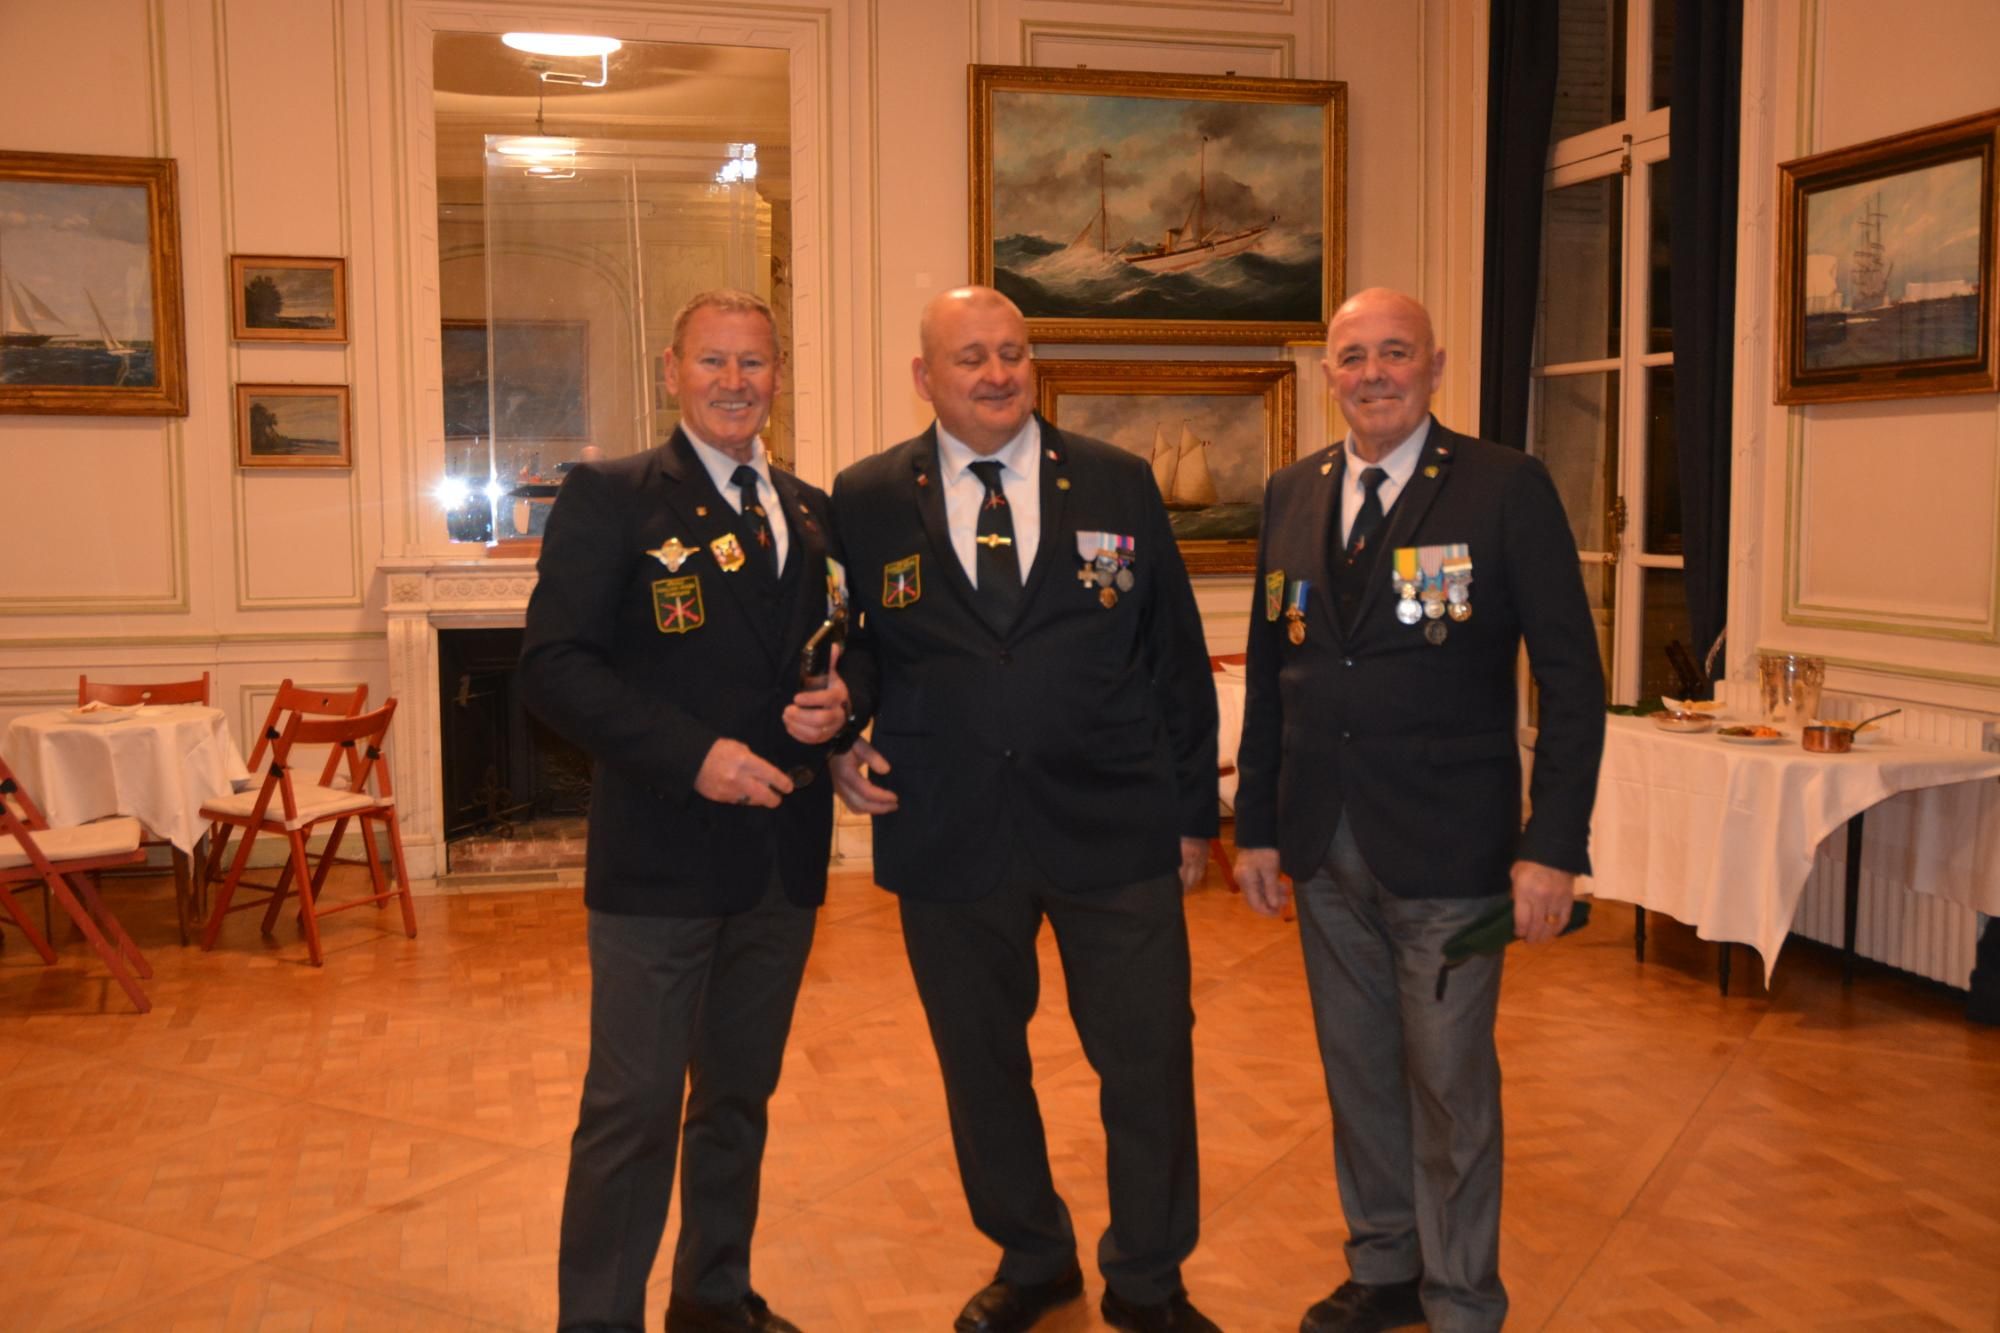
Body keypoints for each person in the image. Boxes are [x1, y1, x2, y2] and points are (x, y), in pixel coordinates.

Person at [827, 286, 1221, 1333]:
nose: (996, 373)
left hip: (1114, 825)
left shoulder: (1117, 479)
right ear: (925, 376)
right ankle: (1032, 1254)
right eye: (971, 357)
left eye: (1012, 352)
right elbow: (856, 647)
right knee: (980, 1063)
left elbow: (1174, 656)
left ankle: (1148, 1277)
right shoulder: (866, 495)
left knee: (1149, 1060)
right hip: (947, 826)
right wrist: (840, 729)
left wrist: (1193, 816)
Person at [1232, 287, 1605, 1333]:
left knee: (1447, 1084)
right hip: (1321, 842)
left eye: (1395, 353)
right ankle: (1385, 1263)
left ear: (1435, 366)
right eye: (1353, 357)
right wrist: (1255, 824)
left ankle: (1462, 1298)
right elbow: (1272, 672)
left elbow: (1571, 680)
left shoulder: (1502, 486)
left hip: (1451, 848)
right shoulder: (1292, 492)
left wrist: (1552, 845)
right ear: (1329, 377)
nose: (1374, 374)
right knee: (1357, 1071)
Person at [521, 289, 849, 1333]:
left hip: (780, 861)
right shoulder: (612, 496)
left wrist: (846, 706)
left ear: (778, 375)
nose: (734, 382)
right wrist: (692, 755)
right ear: (671, 371)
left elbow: (843, 648)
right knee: (633, 1112)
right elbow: (553, 667)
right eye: (713, 361)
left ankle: (712, 1297)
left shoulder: (811, 510)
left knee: (735, 1101)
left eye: (754, 362)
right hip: (659, 862)